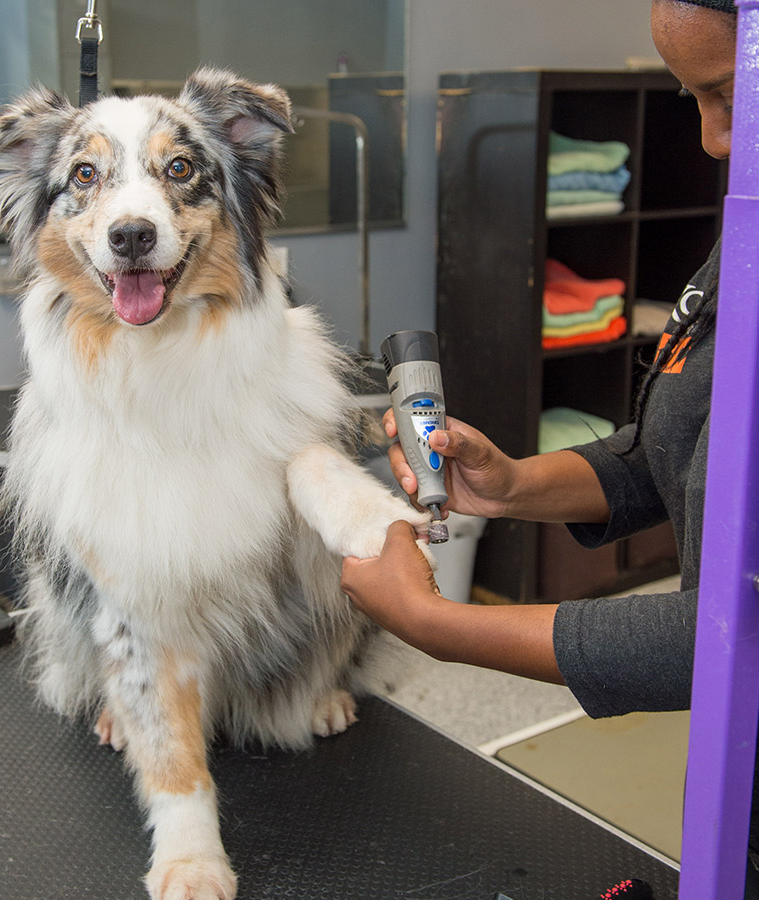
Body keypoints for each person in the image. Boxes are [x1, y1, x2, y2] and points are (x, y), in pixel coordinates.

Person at [339, 0, 756, 895]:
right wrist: (513, 484)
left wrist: (436, 626)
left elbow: (733, 636)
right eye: (688, 99)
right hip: (736, 767)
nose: (712, 140)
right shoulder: (750, 229)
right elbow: (669, 457)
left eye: (726, 93)